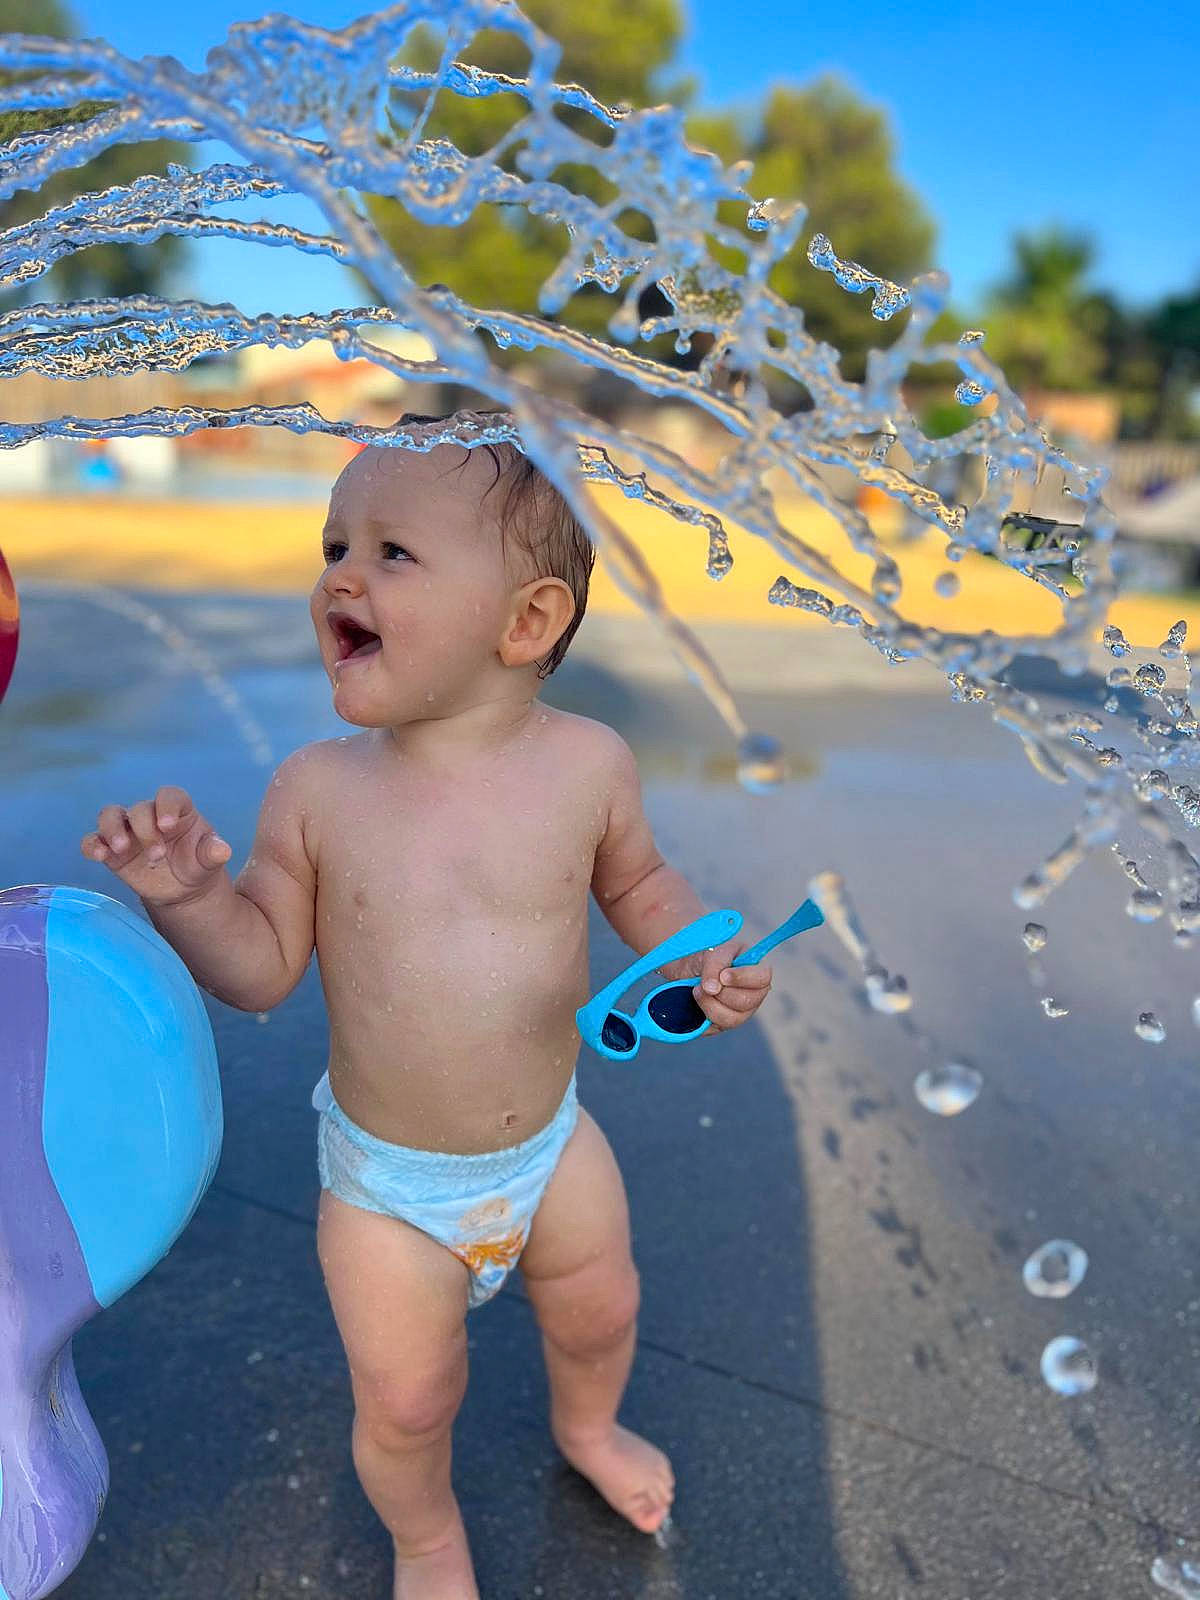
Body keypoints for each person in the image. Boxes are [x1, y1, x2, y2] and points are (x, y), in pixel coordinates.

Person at [80, 412, 774, 1600]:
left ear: (527, 622)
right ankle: (427, 1540)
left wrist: (701, 952)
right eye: (333, 544)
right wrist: (194, 896)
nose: (341, 574)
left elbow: (643, 884)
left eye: (393, 553)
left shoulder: (589, 765)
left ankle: (590, 1428)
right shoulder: (316, 791)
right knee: (407, 1404)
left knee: (604, 1309)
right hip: (390, 1188)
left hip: (554, 1143)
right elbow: (260, 970)